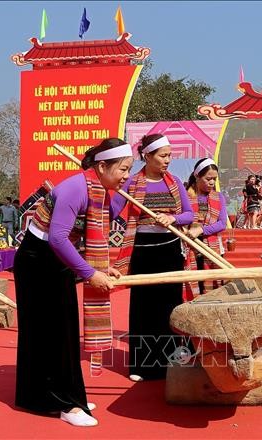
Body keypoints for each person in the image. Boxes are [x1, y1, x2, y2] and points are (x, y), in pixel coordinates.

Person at [13, 138, 133, 427]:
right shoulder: (75, 188)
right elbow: (57, 238)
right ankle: (64, 402)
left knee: (63, 332)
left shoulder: (101, 189)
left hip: (54, 259)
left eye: (129, 169)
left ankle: (62, 394)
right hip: (36, 260)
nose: (127, 176)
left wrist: (99, 268)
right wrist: (91, 273)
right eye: (123, 169)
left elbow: (112, 213)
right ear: (102, 166)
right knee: (50, 333)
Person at [111, 134, 194, 382]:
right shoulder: (132, 183)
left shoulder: (175, 182)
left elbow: (189, 214)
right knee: (143, 307)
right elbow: (113, 208)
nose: (168, 160)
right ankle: (143, 365)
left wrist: (172, 219)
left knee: (170, 305)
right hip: (143, 249)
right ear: (147, 156)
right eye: (163, 155)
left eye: (169, 155)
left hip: (169, 250)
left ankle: (174, 359)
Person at [184, 158, 228, 295]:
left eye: (214, 179)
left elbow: (222, 223)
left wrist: (201, 230)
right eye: (208, 178)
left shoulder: (218, 197)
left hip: (212, 249)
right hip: (190, 248)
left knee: (213, 288)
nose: (212, 182)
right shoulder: (185, 196)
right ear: (197, 176)